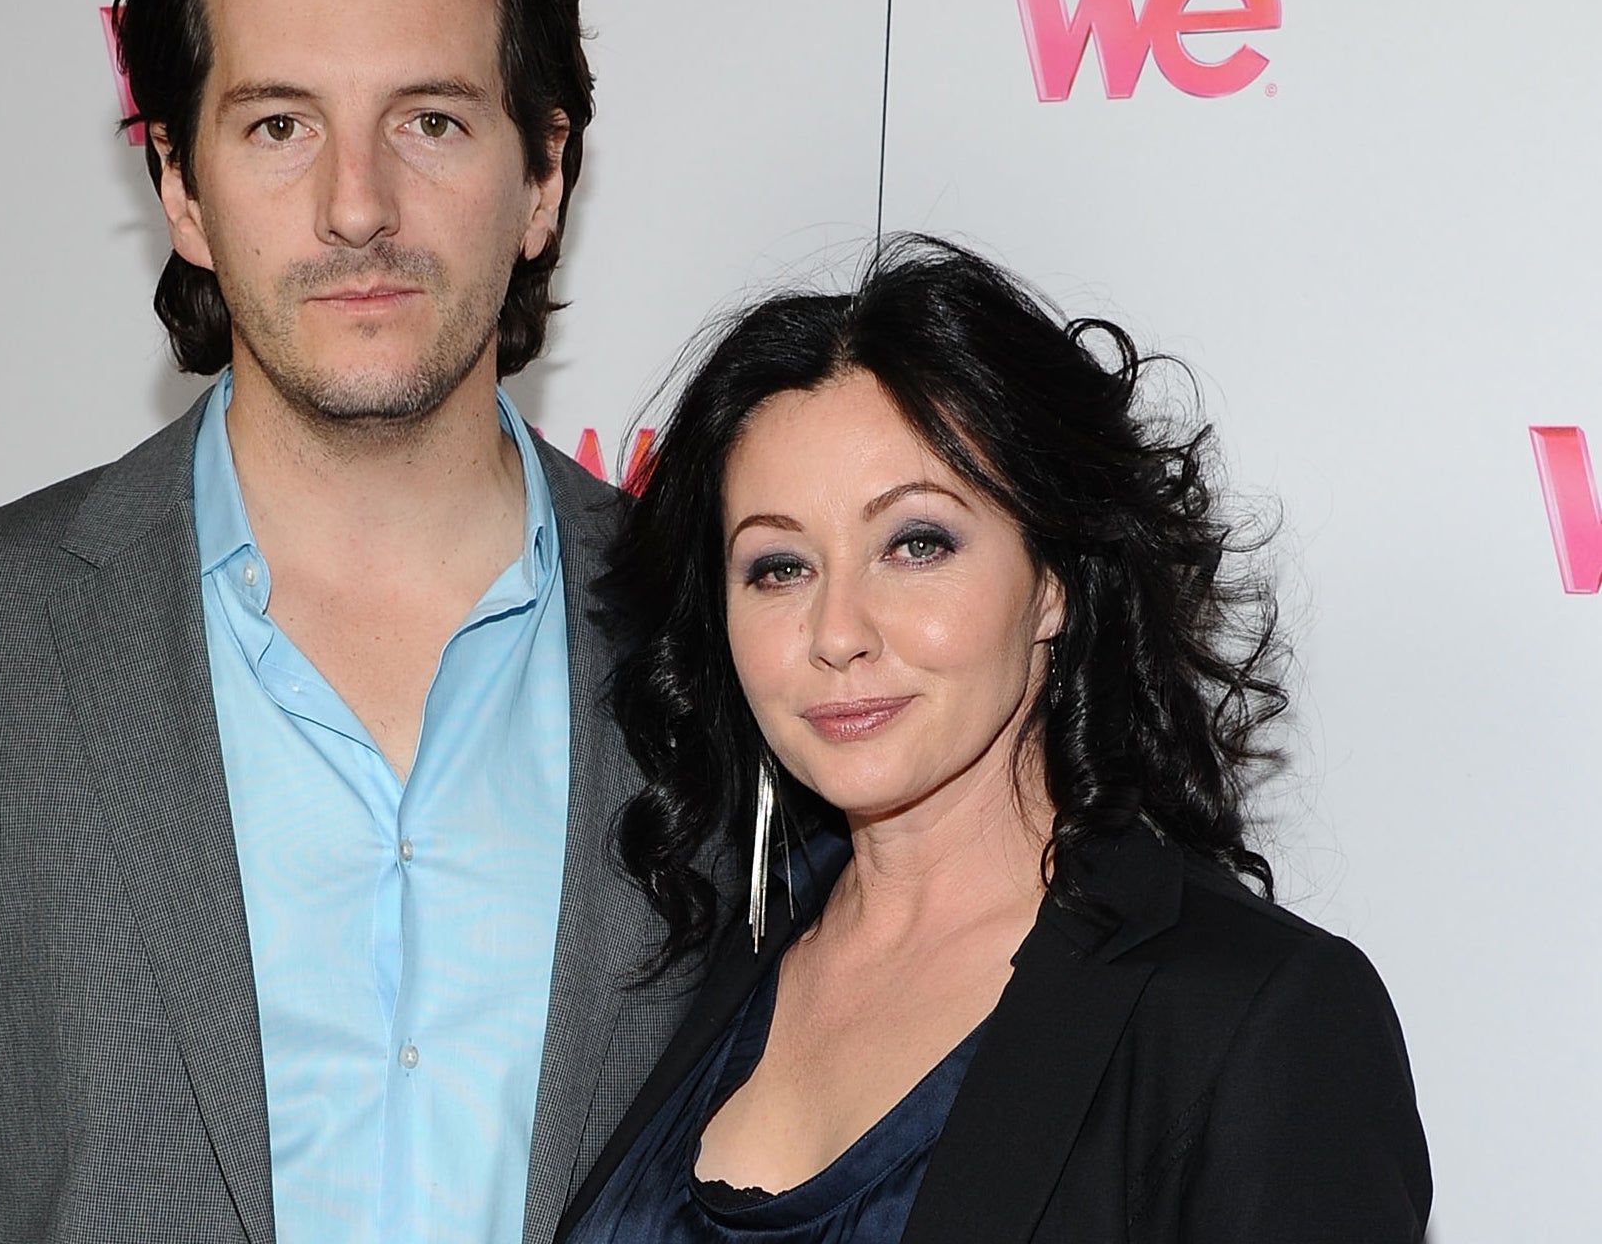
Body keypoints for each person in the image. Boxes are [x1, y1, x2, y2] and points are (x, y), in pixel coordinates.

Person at [0, 0, 690, 1244]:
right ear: (181, 185)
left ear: (542, 175)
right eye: (279, 125)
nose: (357, 206)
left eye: (430, 121)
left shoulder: (724, 629)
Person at [557, 237, 1433, 1243]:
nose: (837, 631)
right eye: (779, 565)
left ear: (1054, 578)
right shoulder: (703, 952)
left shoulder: (1255, 1016)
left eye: (916, 542)